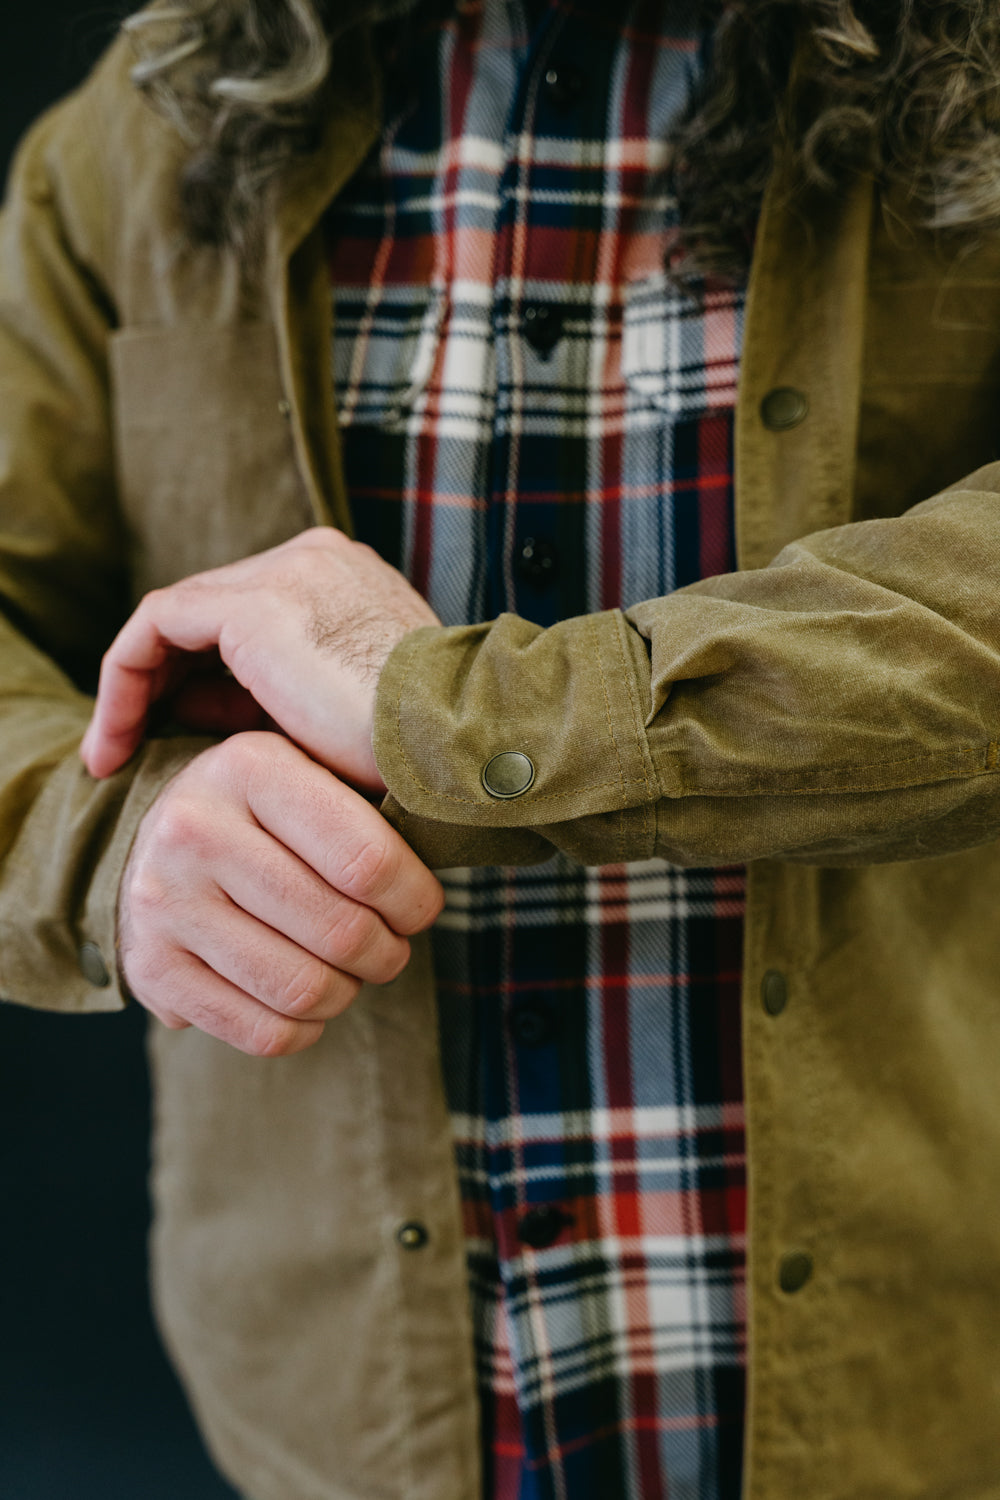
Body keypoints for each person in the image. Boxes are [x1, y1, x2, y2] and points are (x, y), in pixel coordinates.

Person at [3, 1, 1000, 1497]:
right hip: (334, 1413)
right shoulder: (141, 126)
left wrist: (443, 708)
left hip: (921, 1371)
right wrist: (108, 843)